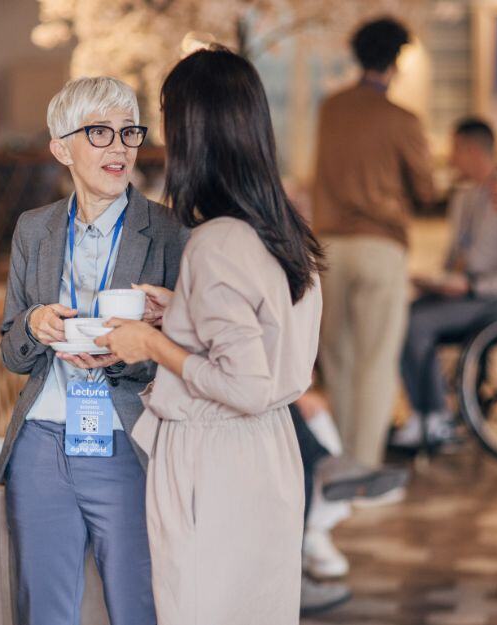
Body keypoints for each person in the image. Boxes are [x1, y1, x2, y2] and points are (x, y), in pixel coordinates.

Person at [96, 47, 325, 625]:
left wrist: (151, 344)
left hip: (216, 463)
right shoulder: (282, 229)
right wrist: (181, 313)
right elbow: (264, 335)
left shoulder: (216, 243)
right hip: (268, 454)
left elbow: (244, 384)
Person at [0, 76, 187, 625]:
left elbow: (186, 355)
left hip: (129, 440)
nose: (119, 147)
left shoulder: (169, 231)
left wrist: (129, 349)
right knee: (44, 609)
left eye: (128, 133)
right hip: (41, 443)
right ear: (62, 147)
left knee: (138, 605)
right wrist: (34, 323)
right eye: (99, 133)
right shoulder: (34, 229)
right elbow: (12, 353)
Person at [312, 17, 436, 468]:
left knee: (337, 359)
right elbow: (426, 190)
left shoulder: (330, 109)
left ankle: (340, 460)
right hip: (380, 246)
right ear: (396, 60)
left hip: (328, 247)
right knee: (376, 361)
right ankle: (363, 467)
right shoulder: (402, 119)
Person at [393, 118, 497, 448]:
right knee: (403, 312)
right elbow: (454, 257)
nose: (449, 158)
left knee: (417, 322)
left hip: (496, 297)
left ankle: (436, 417)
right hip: (463, 293)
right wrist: (436, 281)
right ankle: (424, 412)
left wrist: (474, 285)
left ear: (472, 150)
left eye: (455, 149)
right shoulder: (464, 198)